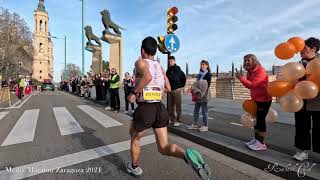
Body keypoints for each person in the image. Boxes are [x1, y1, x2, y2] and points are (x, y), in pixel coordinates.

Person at [126, 37, 211, 179]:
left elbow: (146, 76)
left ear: (142, 50)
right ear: (154, 51)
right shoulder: (159, 67)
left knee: (135, 138)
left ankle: (134, 167)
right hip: (160, 109)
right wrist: (156, 90)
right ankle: (186, 156)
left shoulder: (140, 62)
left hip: (146, 108)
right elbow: (168, 88)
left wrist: (134, 93)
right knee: (164, 147)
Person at [235, 54, 272, 151]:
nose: (246, 62)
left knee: (260, 121)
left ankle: (261, 143)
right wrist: (243, 77)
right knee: (256, 121)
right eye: (245, 61)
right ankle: (256, 140)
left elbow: (253, 85)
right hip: (256, 99)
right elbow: (248, 85)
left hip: (264, 100)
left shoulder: (260, 71)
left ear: (254, 60)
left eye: (248, 60)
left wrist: (240, 78)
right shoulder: (250, 72)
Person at [293, 37, 320, 161]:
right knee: (301, 126)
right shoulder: (298, 65)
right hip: (300, 102)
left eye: (303, 48)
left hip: (317, 102)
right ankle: (301, 151)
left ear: (313, 49)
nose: (300, 51)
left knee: (319, 128)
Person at [187, 60, 212, 132]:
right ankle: (195, 124)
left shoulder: (208, 74)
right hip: (198, 94)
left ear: (207, 65)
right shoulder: (199, 74)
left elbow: (207, 85)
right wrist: (193, 89)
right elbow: (196, 84)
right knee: (196, 110)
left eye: (204, 64)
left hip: (204, 95)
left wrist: (201, 92)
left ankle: (205, 125)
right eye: (201, 64)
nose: (202, 66)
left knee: (204, 111)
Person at [166, 56, 186, 127]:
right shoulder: (168, 70)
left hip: (177, 90)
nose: (170, 63)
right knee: (170, 105)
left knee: (178, 105)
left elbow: (183, 78)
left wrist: (180, 86)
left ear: (174, 61)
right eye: (169, 62)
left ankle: (179, 120)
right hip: (170, 90)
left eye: (171, 61)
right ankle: (172, 119)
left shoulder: (178, 69)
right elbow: (166, 80)